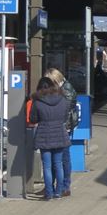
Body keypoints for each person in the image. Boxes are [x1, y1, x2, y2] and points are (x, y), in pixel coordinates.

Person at [28, 76, 70, 200]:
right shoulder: (62, 100)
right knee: (58, 164)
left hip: (44, 135)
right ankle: (58, 192)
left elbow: (33, 119)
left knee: (47, 166)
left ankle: (48, 193)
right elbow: (65, 117)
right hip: (59, 134)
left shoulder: (38, 102)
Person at [43, 68, 79, 198]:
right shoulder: (61, 89)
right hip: (58, 127)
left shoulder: (66, 90)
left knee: (63, 159)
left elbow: (64, 109)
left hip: (64, 128)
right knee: (56, 160)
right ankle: (51, 187)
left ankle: (64, 186)